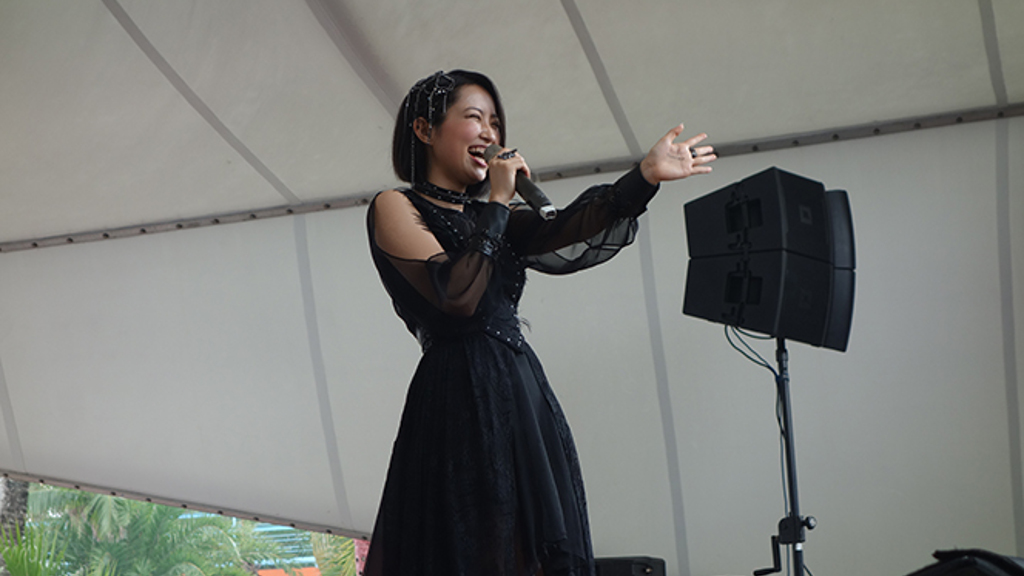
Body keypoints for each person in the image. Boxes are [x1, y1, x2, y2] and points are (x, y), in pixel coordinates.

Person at [364, 70, 716, 576]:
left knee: (533, 551)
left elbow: (573, 230)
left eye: (496, 123)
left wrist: (644, 176)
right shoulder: (395, 205)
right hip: (458, 394)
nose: (490, 133)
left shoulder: (495, 215)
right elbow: (456, 297)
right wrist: (498, 201)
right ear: (424, 129)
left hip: (520, 394)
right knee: (474, 545)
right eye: (474, 118)